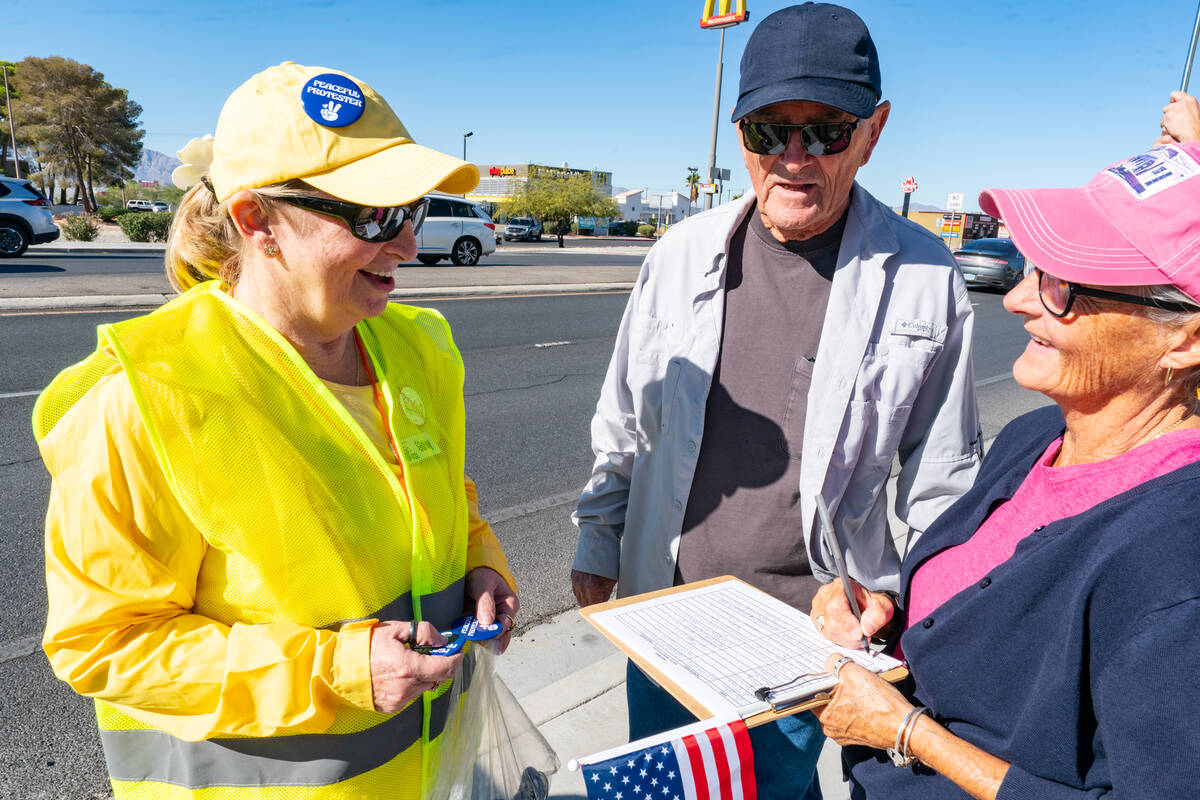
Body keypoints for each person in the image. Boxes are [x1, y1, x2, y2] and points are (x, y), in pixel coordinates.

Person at [33, 62, 519, 799]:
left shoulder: (417, 349)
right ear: (258, 220)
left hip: (432, 775)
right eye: (374, 217)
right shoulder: (151, 395)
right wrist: (339, 671)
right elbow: (104, 642)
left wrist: (482, 565)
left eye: (411, 209)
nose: (409, 246)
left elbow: (440, 499)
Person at [570, 4, 982, 797]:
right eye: (768, 131)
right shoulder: (680, 254)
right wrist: (598, 537)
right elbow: (623, 416)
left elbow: (944, 487)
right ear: (739, 134)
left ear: (873, 131)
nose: (794, 158)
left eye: (825, 130)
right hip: (668, 618)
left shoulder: (927, 280)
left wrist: (899, 604)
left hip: (805, 644)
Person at [815, 141, 1200, 799]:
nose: (1019, 300)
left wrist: (910, 734)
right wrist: (885, 615)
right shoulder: (1037, 435)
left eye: (1063, 286)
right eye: (1032, 269)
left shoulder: (1176, 560)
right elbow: (991, 610)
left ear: (1185, 339)